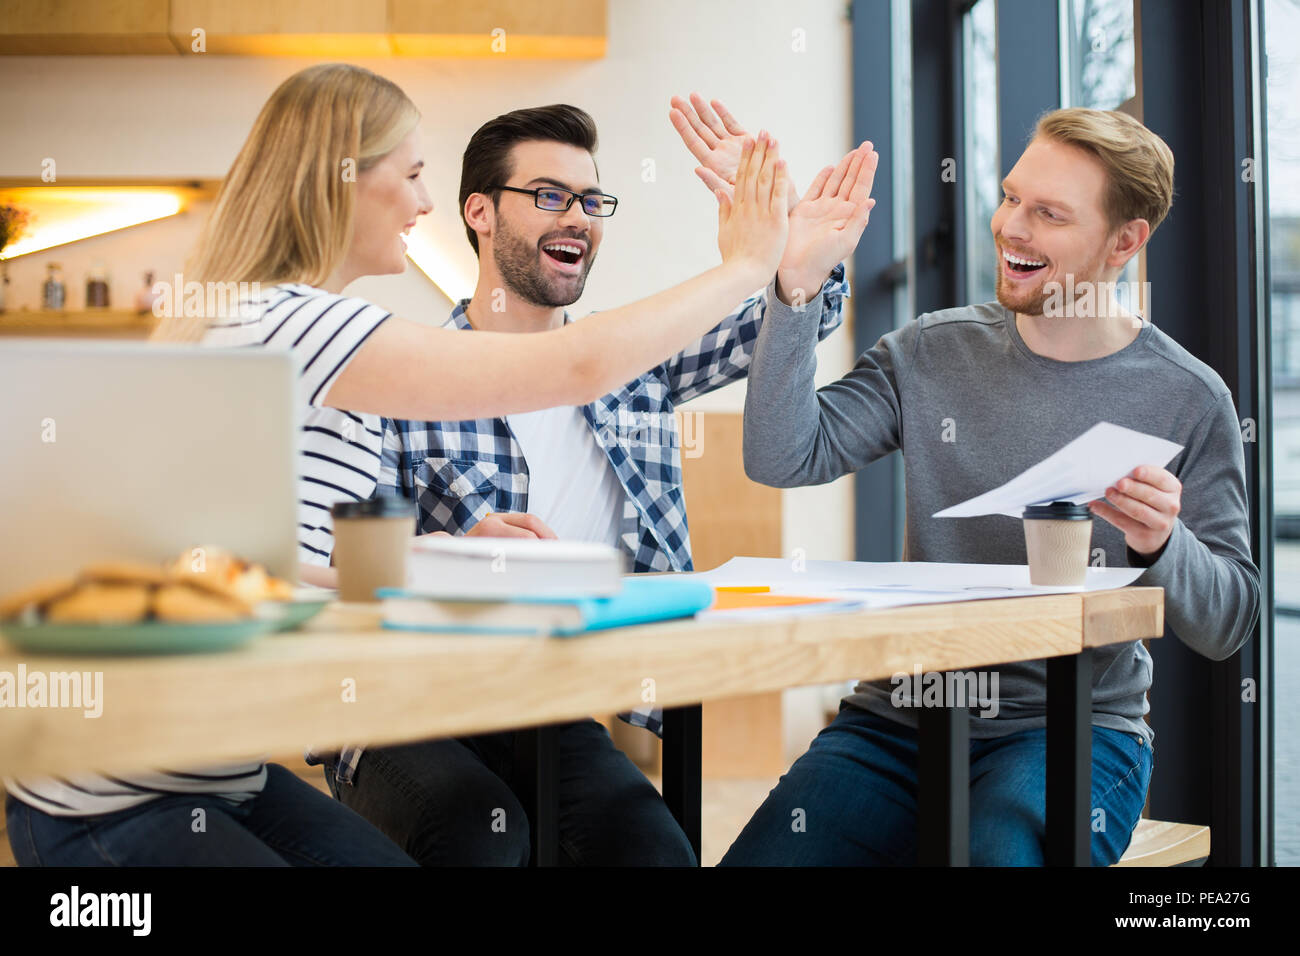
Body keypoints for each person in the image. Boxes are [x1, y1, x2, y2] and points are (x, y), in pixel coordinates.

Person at [4, 62, 792, 866]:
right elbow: (579, 366)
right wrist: (742, 265)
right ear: (340, 178)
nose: (425, 202)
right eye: (412, 174)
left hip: (218, 774)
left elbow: (269, 565)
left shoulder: (295, 333)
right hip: (109, 790)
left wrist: (450, 556)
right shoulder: (301, 326)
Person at [314, 101, 876, 866]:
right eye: (548, 195)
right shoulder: (409, 369)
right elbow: (344, 553)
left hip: (543, 700)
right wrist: (446, 549)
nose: (577, 216)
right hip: (407, 701)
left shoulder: (627, 359)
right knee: (476, 835)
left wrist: (797, 262)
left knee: (651, 851)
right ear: (478, 211)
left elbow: (773, 321)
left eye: (590, 200)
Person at [721, 107, 1261, 866]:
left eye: (1048, 213)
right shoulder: (929, 352)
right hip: (901, 718)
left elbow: (1228, 621)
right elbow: (781, 458)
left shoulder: (1188, 397)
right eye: (1011, 197)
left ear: (1125, 242)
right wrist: (796, 291)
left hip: (1071, 731)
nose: (1011, 227)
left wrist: (1165, 543)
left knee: (998, 853)